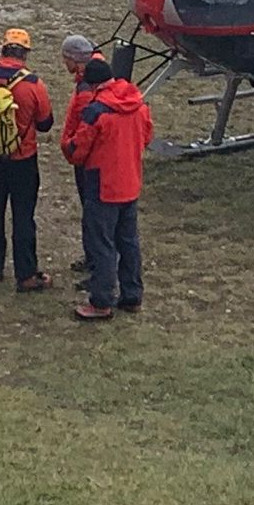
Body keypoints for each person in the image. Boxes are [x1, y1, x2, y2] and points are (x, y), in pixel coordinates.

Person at [63, 58, 153, 321]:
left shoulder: (96, 112)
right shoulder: (139, 104)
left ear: (93, 85)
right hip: (130, 184)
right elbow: (146, 136)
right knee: (129, 242)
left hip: (102, 186)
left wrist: (67, 144)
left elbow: (78, 151)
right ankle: (132, 296)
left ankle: (101, 301)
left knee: (102, 244)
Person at [0, 28, 54, 292]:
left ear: (3, 50)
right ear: (25, 54)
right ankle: (26, 274)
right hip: (23, 159)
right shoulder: (32, 84)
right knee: (23, 216)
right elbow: (45, 123)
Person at [60, 34, 103, 286]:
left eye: (65, 59)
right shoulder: (90, 78)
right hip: (87, 158)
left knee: (93, 213)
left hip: (87, 160)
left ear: (74, 60)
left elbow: (87, 126)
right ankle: (93, 259)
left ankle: (97, 265)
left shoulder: (86, 89)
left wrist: (73, 149)